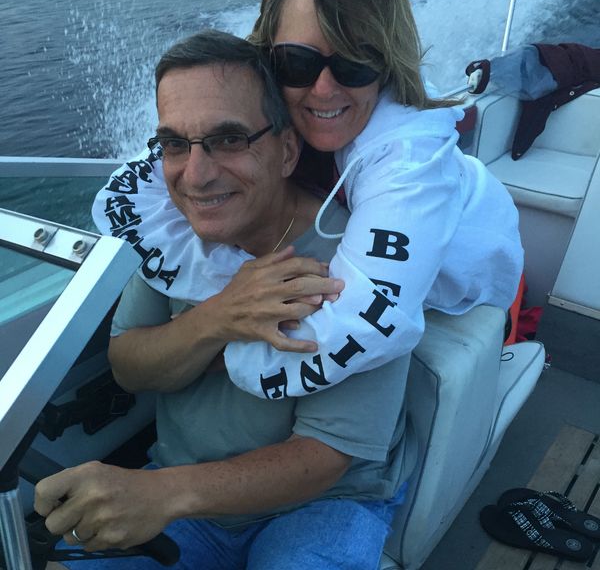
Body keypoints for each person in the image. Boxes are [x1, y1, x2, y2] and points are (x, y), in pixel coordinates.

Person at [35, 30, 414, 570]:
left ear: (286, 151)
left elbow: (325, 456)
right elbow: (128, 367)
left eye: (229, 139)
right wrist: (220, 316)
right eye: (173, 144)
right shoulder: (171, 232)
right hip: (181, 489)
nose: (196, 175)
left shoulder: (361, 260)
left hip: (324, 502)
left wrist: (164, 494)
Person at [91, 0, 523, 400]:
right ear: (270, 53)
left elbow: (366, 325)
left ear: (388, 61)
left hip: (460, 274)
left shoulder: (407, 160)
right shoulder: (266, 92)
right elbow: (146, 182)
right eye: (298, 61)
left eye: (356, 64)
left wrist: (206, 352)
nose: (323, 89)